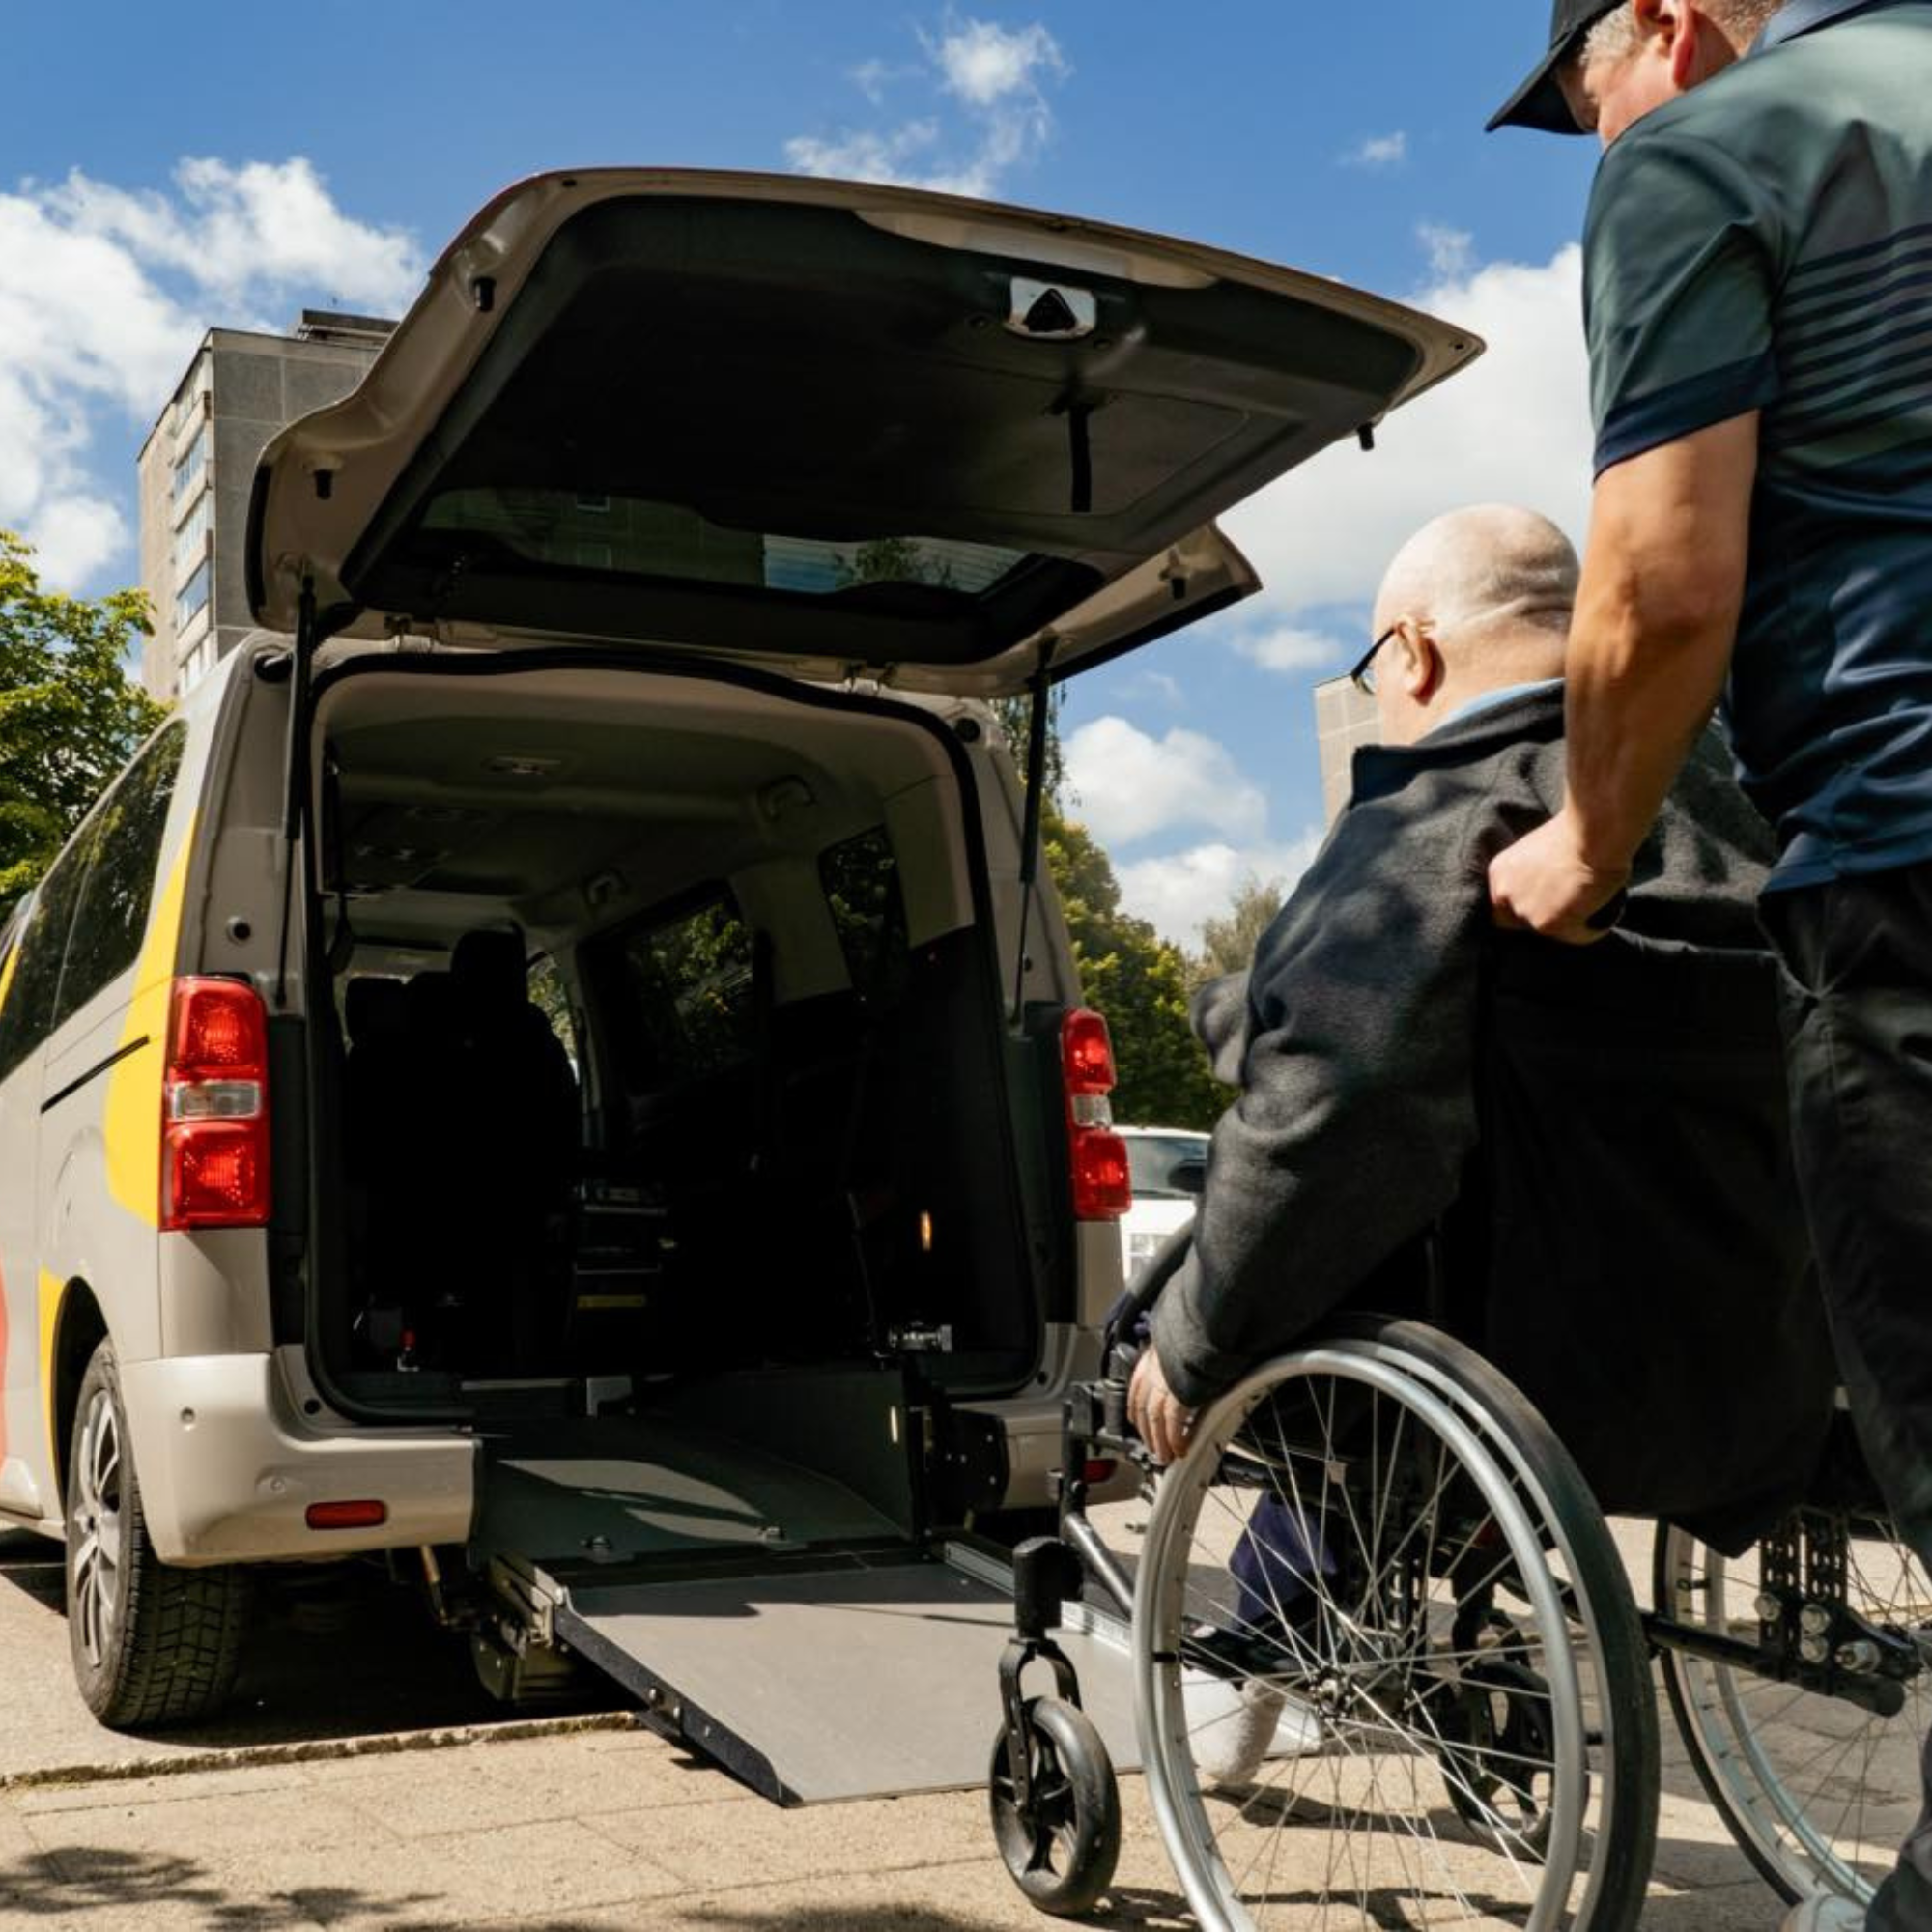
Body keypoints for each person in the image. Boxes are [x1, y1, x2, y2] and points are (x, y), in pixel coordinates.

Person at [1486, 7, 1932, 1926]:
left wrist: (1589, 843)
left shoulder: (1710, 150)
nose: (1600, 143)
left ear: (1660, 24)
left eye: (1586, 104)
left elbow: (1663, 579)